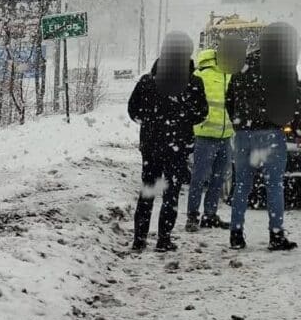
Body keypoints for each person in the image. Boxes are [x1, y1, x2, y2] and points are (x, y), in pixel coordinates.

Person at [128, 32, 209, 252]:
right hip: (178, 146)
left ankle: (139, 239)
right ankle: (164, 239)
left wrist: (150, 123)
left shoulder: (147, 81)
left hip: (151, 146)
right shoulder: (194, 83)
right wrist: (182, 122)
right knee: (171, 193)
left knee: (148, 190)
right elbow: (201, 113)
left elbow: (133, 110)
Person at [225, 22, 299, 251]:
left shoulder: (242, 64)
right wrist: (293, 126)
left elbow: (230, 99)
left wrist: (239, 123)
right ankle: (276, 235)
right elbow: (295, 100)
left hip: (243, 134)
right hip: (271, 133)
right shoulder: (284, 66)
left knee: (241, 185)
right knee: (274, 185)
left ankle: (236, 235)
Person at [184, 38, 244, 231]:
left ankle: (208, 216)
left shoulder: (229, 75)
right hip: (206, 136)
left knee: (216, 179)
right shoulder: (201, 74)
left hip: (224, 136)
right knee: (201, 178)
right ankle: (193, 217)